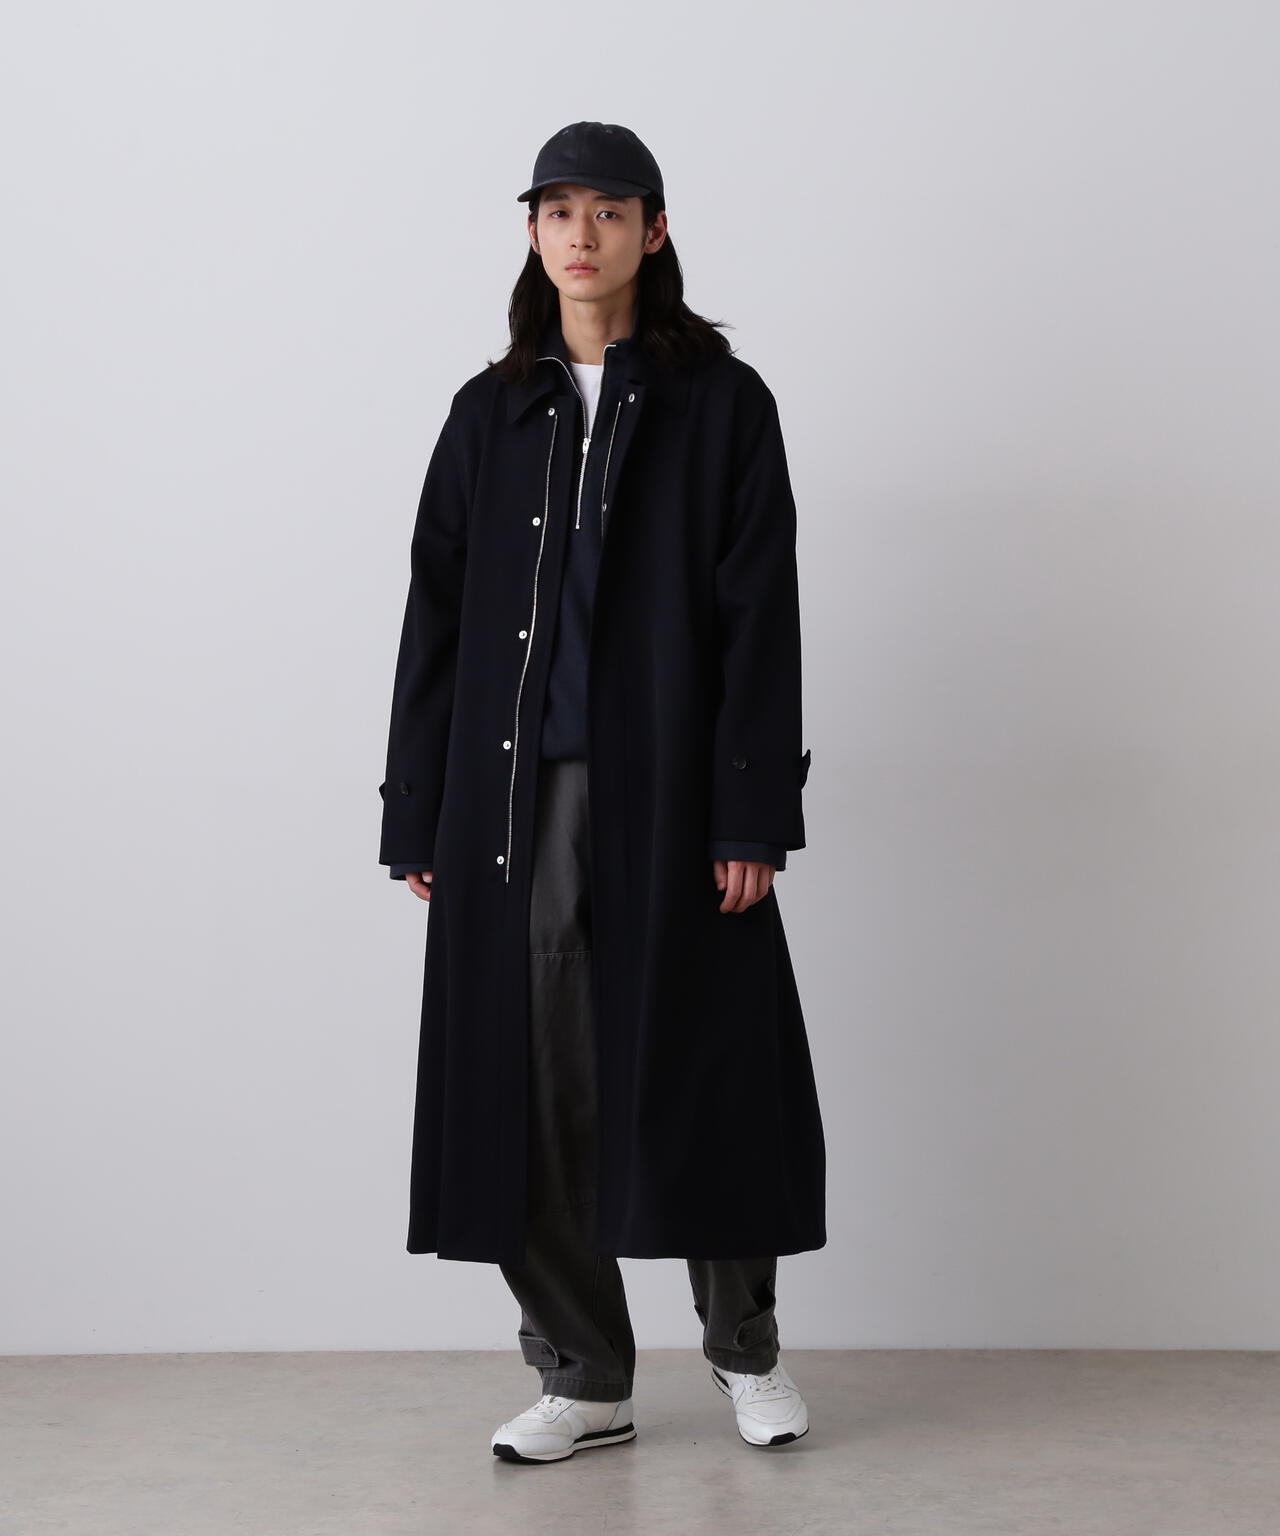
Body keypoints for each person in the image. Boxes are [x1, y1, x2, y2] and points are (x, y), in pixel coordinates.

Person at [378, 121, 826, 1464]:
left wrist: (751, 811)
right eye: (559, 211)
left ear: (654, 230)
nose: (582, 235)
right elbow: (436, 620)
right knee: (534, 1086)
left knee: (703, 1070)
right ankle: (583, 1374)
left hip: (678, 803)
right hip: (512, 810)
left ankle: (746, 1352)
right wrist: (418, 810)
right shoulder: (487, 413)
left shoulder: (722, 402)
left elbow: (760, 616)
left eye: (610, 211)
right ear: (531, 234)